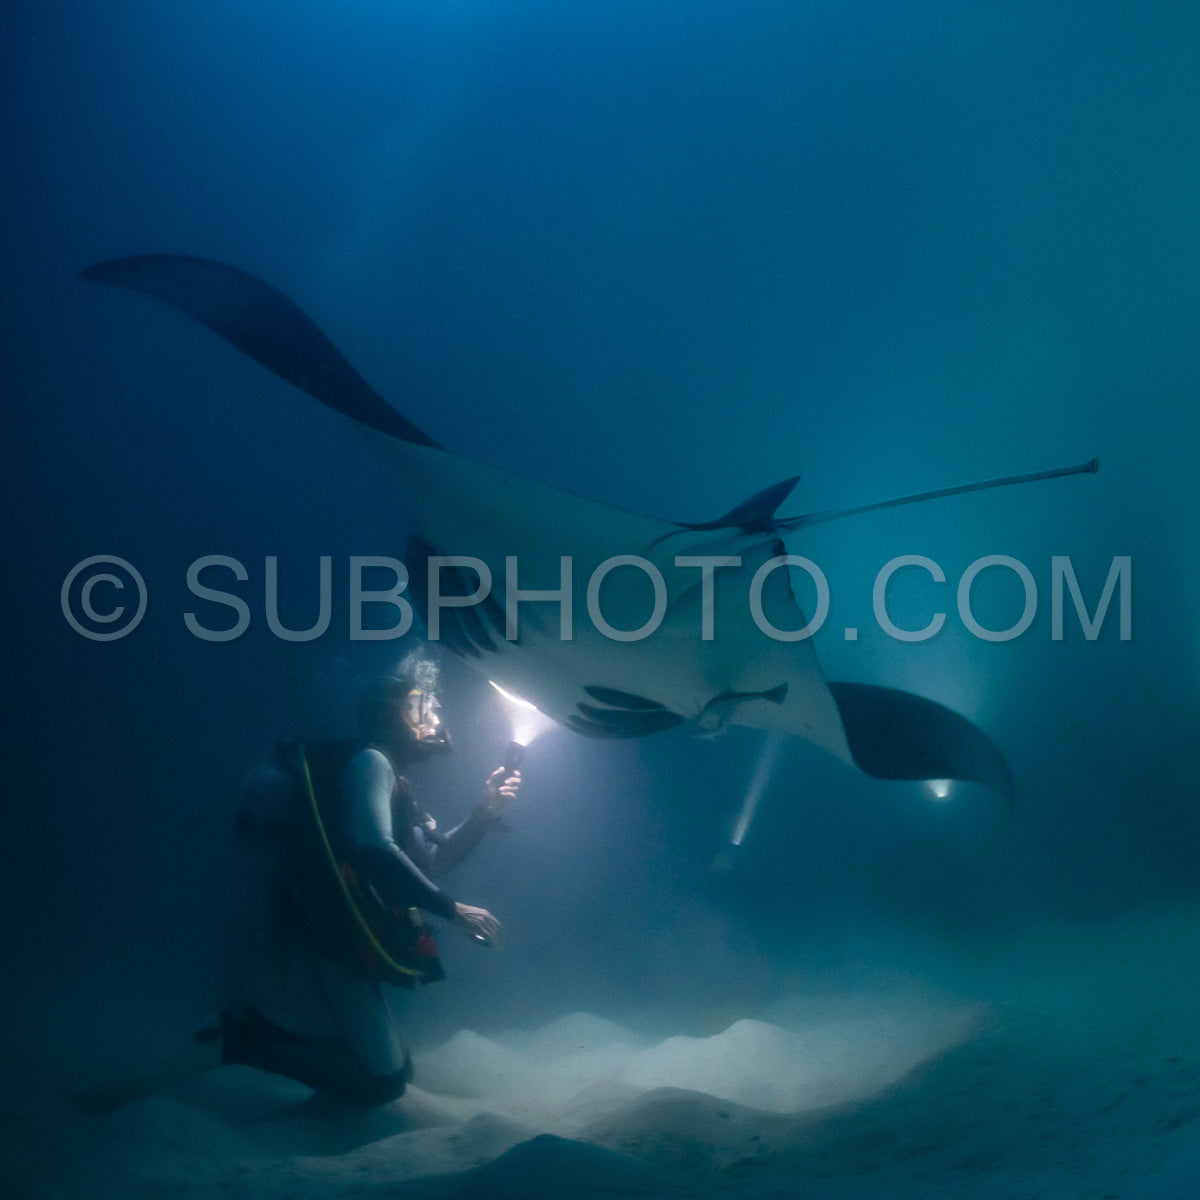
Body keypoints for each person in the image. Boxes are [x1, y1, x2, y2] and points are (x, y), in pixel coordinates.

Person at [78, 674, 518, 1112]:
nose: (435, 717)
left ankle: (268, 1037)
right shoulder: (371, 763)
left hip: (337, 925)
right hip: (326, 925)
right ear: (393, 716)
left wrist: (480, 818)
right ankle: (243, 1041)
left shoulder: (390, 779)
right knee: (382, 1082)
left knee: (395, 1071)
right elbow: (372, 848)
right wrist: (451, 909)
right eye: (423, 707)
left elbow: (428, 862)